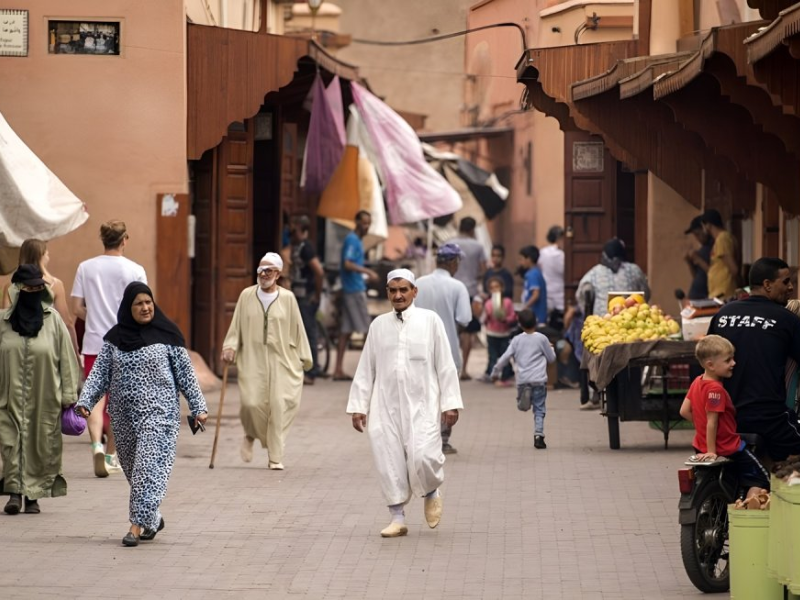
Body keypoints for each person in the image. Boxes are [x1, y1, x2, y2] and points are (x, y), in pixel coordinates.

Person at [76, 282, 208, 546]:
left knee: (146, 470)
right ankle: (152, 517)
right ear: (128, 307)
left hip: (159, 416)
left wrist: (198, 406)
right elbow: (100, 373)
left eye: (148, 302)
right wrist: (86, 401)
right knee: (134, 471)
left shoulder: (168, 334)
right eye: (139, 303)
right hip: (123, 417)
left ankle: (135, 527)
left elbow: (185, 373)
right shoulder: (115, 338)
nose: (145, 307)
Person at [347, 269, 462, 538]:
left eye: (403, 289)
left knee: (424, 456)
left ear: (414, 291)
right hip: (385, 404)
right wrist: (358, 406)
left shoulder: (430, 321)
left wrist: (450, 403)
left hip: (423, 403)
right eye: (393, 290)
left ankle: (431, 490)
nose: (398, 295)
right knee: (388, 458)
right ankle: (397, 517)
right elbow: (366, 368)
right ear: (387, 293)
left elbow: (445, 365)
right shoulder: (378, 325)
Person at [0, 264, 80, 515]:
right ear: (17, 290)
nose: (34, 291)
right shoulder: (3, 322)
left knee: (39, 445)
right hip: (8, 395)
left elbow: (67, 360)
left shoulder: (53, 320)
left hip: (45, 397)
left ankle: (33, 496)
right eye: (29, 287)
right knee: (11, 443)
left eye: (38, 287)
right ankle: (14, 493)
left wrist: (69, 396)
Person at [221, 252, 313, 470]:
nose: (263, 274)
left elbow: (297, 327)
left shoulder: (288, 298)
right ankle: (251, 433)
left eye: (268, 270)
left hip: (282, 358)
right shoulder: (246, 295)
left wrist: (304, 357)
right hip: (252, 357)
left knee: (278, 406)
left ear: (278, 274)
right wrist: (230, 346)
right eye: (260, 270)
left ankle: (275, 456)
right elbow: (236, 325)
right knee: (252, 404)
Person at [71, 220, 147, 478]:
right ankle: (112, 455)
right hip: (125, 343)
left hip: (94, 342)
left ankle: (95, 446)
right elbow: (144, 309)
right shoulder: (135, 269)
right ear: (125, 239)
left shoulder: (86, 267)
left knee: (96, 398)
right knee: (119, 402)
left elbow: (76, 308)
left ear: (103, 239)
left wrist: (93, 316)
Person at [707, 257, 800, 461]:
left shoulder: (722, 315)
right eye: (785, 281)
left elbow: (705, 362)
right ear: (767, 285)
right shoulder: (787, 320)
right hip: (769, 418)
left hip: (723, 418)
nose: (791, 287)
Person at [679, 335, 769, 498]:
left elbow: (684, 411)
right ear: (711, 365)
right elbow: (712, 422)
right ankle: (746, 517)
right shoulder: (715, 390)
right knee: (762, 479)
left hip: (700, 446)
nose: (733, 363)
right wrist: (713, 451)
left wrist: (701, 429)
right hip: (726, 447)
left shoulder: (697, 382)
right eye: (728, 360)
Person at [415, 242, 472, 455]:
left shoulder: (418, 283)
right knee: (446, 395)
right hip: (447, 349)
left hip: (419, 348)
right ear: (451, 262)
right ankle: (442, 440)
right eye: (457, 261)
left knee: (421, 393)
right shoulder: (457, 287)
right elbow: (464, 319)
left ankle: (420, 438)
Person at [2, 239, 81, 361]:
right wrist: (75, 351)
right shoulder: (55, 285)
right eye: (47, 254)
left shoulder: (11, 286)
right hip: (46, 345)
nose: (48, 257)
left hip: (16, 347)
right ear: (41, 256)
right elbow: (67, 322)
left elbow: (5, 318)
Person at [491, 309, 556, 449]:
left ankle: (523, 401)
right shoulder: (542, 339)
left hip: (523, 379)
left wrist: (495, 371)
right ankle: (539, 435)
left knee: (523, 405)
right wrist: (551, 349)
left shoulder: (516, 340)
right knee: (539, 408)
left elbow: (505, 357)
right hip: (539, 380)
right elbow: (551, 358)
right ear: (536, 322)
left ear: (520, 324)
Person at [333, 211, 378, 381]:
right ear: (357, 222)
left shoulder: (357, 241)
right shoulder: (352, 240)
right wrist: (367, 271)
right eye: (364, 223)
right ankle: (370, 372)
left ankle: (338, 369)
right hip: (353, 290)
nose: (367, 226)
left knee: (345, 331)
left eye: (369, 223)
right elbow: (348, 263)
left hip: (352, 288)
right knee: (368, 329)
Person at [288, 215, 325, 384]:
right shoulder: (297, 246)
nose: (290, 233)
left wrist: (316, 295)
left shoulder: (306, 248)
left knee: (309, 333)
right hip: (299, 295)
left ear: (302, 230)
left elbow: (318, 271)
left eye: (294, 230)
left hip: (307, 297)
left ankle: (312, 371)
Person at [450, 217, 488, 380]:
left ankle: (450, 368)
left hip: (451, 289)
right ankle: (464, 369)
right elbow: (484, 270)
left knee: (450, 330)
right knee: (468, 332)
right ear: (473, 229)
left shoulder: (450, 244)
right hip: (470, 291)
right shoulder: (478, 246)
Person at [575, 238, 650, 317]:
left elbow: (581, 295)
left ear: (604, 255)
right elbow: (646, 294)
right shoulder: (634, 270)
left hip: (602, 320)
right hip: (630, 317)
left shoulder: (594, 273)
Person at [482, 277, 517, 387]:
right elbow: (484, 320)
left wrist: (506, 319)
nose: (495, 290)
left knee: (505, 356)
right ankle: (494, 377)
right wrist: (487, 315)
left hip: (504, 334)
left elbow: (513, 316)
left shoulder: (507, 302)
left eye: (497, 287)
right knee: (492, 356)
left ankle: (506, 376)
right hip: (492, 334)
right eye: (492, 288)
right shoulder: (488, 304)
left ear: (502, 288)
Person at [700, 209, 739, 300]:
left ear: (708, 225)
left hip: (723, 292)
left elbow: (733, 268)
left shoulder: (722, 238)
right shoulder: (721, 238)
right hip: (718, 292)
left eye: (703, 225)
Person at [539, 225, 565, 329]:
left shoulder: (542, 252)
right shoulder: (561, 255)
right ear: (559, 238)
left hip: (547, 293)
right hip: (560, 295)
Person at [683, 216, 713, 300]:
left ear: (705, 230)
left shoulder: (714, 248)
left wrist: (699, 260)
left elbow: (714, 273)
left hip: (705, 297)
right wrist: (690, 262)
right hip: (696, 295)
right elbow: (696, 275)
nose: (697, 238)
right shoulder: (702, 249)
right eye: (695, 235)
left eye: (698, 234)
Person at [519, 246, 548, 328]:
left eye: (521, 259)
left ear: (529, 259)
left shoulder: (532, 274)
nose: (520, 262)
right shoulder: (536, 272)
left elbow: (535, 294)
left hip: (535, 318)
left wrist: (525, 307)